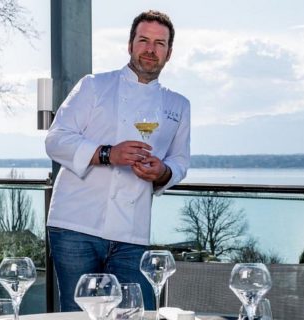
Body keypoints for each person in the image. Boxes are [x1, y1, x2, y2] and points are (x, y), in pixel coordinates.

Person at [45, 10, 190, 312]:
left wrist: (162, 171)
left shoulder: (179, 104)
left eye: (159, 43)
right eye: (144, 40)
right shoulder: (94, 86)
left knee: (139, 313)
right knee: (79, 317)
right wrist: (109, 153)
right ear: (130, 44)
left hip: (131, 233)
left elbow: (179, 162)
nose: (150, 49)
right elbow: (56, 140)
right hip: (75, 226)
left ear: (169, 52)